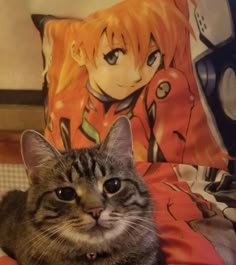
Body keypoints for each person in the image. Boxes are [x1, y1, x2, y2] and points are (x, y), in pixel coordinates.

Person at [42, 0, 227, 168]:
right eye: (113, 57)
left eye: (151, 58)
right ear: (78, 53)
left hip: (157, 188)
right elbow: (54, 176)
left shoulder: (164, 87)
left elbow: (170, 167)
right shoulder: (64, 107)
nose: (136, 75)